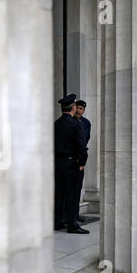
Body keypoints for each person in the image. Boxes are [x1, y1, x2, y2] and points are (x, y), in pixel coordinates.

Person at [54, 94, 90, 234]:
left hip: (58, 163)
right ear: (73, 107)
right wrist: (82, 162)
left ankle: (57, 222)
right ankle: (72, 224)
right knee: (73, 194)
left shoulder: (56, 124)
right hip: (72, 164)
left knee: (59, 193)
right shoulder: (76, 124)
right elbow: (81, 146)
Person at [74, 100, 91, 223]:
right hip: (72, 158)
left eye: (81, 109)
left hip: (80, 157)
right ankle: (70, 216)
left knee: (78, 188)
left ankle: (75, 214)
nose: (79, 110)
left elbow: (86, 138)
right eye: (77, 108)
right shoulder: (71, 121)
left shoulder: (86, 123)